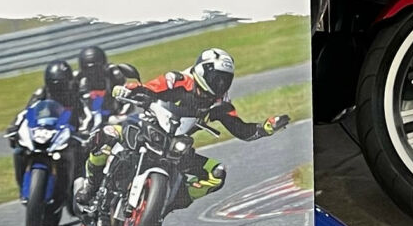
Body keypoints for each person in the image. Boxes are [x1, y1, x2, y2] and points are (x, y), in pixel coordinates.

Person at [122, 48, 289, 205]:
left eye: (225, 80)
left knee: (217, 174)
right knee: (107, 134)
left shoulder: (220, 103)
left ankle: (167, 203)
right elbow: (148, 87)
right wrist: (129, 90)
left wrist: (267, 128)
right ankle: (94, 181)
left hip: (176, 147)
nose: (221, 84)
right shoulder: (177, 80)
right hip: (147, 127)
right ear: (203, 71)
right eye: (217, 78)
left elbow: (242, 130)